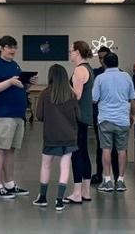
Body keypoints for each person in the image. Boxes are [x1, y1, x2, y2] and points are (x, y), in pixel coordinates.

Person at [0, 35, 34, 199]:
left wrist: (27, 83)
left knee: (11, 150)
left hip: (17, 114)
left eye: (14, 47)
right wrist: (10, 82)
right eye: (9, 47)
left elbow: (18, 86)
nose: (13, 50)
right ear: (1, 48)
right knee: (0, 148)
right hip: (1, 115)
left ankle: (10, 184)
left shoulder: (15, 65)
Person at [33, 64, 79, 211]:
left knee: (46, 165)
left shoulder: (45, 94)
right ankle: (59, 200)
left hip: (51, 136)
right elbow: (78, 115)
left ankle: (42, 197)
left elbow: (39, 116)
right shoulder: (72, 94)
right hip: (69, 136)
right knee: (65, 166)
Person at [92, 52, 135, 192]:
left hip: (105, 119)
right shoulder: (126, 76)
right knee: (122, 150)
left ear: (104, 63)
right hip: (122, 119)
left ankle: (107, 180)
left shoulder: (100, 78)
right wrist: (132, 114)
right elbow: (133, 98)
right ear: (118, 63)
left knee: (106, 149)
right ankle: (121, 181)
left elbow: (94, 99)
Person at [65, 40, 94, 204]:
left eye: (71, 51)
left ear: (77, 52)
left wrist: (64, 86)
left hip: (77, 117)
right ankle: (86, 192)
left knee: (76, 154)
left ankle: (76, 193)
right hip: (85, 116)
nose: (70, 53)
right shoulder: (88, 68)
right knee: (84, 153)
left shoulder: (79, 70)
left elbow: (77, 95)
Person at [91, 46, 119, 185]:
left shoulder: (120, 74)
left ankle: (117, 175)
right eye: (100, 58)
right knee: (101, 146)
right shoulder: (95, 73)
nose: (101, 60)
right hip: (100, 115)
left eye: (104, 58)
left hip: (116, 115)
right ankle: (100, 174)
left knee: (116, 147)